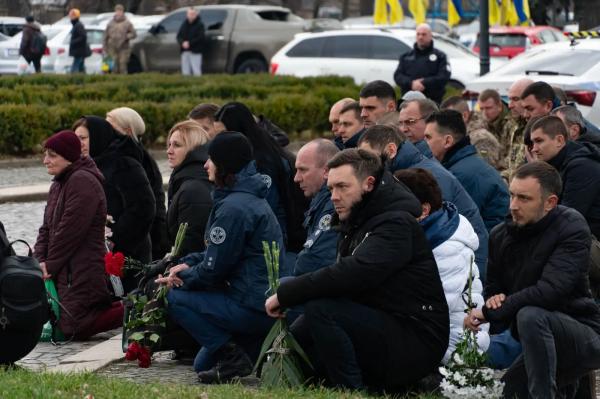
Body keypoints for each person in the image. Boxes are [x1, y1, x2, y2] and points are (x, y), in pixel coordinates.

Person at [265, 149, 449, 393]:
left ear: (369, 184)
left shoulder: (396, 223)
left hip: (416, 339)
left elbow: (355, 273)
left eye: (342, 187)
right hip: (386, 325)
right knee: (306, 327)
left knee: (321, 309)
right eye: (330, 188)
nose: (334, 197)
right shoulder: (361, 219)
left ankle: (350, 391)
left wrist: (287, 294)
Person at [157, 131, 288, 383]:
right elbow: (218, 254)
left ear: (225, 166)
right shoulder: (242, 199)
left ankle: (235, 357)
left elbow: (213, 270)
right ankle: (245, 351)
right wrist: (189, 262)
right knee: (201, 364)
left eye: (211, 160)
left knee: (175, 297)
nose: (206, 165)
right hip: (257, 299)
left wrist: (180, 276)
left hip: (251, 305)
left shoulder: (234, 208)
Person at [467, 161, 600, 399]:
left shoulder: (571, 227)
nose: (514, 206)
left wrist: (489, 312)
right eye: (512, 196)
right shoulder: (499, 235)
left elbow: (550, 291)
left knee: (531, 314)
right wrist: (494, 300)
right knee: (506, 392)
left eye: (524, 199)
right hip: (533, 340)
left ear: (550, 203)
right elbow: (494, 288)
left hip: (582, 334)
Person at [357, 125, 489, 277]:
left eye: (369, 158)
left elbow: (430, 234)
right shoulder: (405, 174)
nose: (365, 167)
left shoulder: (425, 178)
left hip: (458, 270)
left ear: (391, 150)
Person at [34, 131, 123, 339]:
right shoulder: (59, 182)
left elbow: (70, 232)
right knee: (64, 324)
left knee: (74, 327)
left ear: (68, 156)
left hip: (82, 270)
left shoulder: (82, 181)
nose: (45, 160)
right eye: (46, 154)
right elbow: (46, 228)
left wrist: (50, 265)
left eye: (52, 155)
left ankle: (132, 309)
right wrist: (39, 261)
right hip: (67, 270)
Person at [394, 168, 489, 364]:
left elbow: (432, 306)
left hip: (452, 347)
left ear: (423, 210)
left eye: (397, 202)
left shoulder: (447, 247)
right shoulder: (423, 235)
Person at [214, 102, 309, 253]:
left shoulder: (263, 161)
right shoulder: (252, 152)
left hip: (273, 242)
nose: (219, 139)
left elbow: (263, 209)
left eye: (224, 132)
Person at [74, 116, 156, 291]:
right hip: (100, 252)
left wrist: (116, 240)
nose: (79, 143)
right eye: (76, 139)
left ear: (97, 137)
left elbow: (144, 207)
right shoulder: (85, 166)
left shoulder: (123, 163)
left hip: (128, 252)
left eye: (83, 138)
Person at [425, 110, 509, 233]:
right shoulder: (462, 166)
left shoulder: (462, 175)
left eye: (428, 137)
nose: (424, 143)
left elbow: (455, 225)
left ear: (447, 141)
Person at [106, 107, 169, 260]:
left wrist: (115, 238)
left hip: (140, 243)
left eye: (110, 127)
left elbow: (147, 206)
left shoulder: (137, 161)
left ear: (127, 131)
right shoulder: (125, 157)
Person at [529, 115, 600, 238]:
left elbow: (568, 218)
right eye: (533, 142)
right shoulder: (557, 163)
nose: (534, 149)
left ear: (559, 141)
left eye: (539, 141)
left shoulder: (582, 166)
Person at [166, 120, 213, 257]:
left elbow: (192, 246)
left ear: (193, 149)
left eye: (177, 145)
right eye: (169, 144)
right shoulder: (187, 179)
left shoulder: (193, 189)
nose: (169, 151)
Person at [293, 139, 339, 276]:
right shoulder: (320, 200)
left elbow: (317, 258)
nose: (296, 178)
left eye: (303, 170)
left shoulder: (333, 203)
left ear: (326, 171)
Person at [394, 23, 450, 104]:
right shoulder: (406, 56)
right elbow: (398, 76)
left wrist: (424, 82)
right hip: (409, 102)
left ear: (430, 36)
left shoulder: (440, 56)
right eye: (418, 34)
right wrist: (411, 83)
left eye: (424, 34)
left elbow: (444, 76)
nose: (420, 37)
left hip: (432, 102)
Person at [440, 96, 502, 170]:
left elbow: (484, 171)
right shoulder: (458, 136)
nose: (444, 124)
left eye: (449, 118)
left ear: (465, 116)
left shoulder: (482, 139)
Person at [103, 4, 136, 74]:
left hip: (123, 48)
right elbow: (105, 36)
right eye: (117, 11)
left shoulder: (127, 23)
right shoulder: (110, 23)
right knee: (112, 67)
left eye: (120, 11)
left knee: (122, 66)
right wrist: (104, 47)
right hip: (112, 48)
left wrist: (127, 36)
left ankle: (123, 82)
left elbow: (134, 34)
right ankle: (113, 81)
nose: (118, 13)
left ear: (122, 12)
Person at [177, 7, 205, 76]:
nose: (191, 15)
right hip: (184, 50)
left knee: (196, 71)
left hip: (195, 51)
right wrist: (182, 43)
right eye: (190, 14)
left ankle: (198, 85)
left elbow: (200, 37)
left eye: (193, 14)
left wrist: (189, 43)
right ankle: (186, 85)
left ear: (196, 15)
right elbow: (179, 36)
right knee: (185, 72)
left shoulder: (200, 25)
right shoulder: (184, 24)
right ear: (187, 14)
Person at [68, 8, 88, 73]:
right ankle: (82, 81)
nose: (70, 17)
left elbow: (83, 37)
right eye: (70, 15)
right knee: (80, 68)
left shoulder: (78, 25)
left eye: (72, 15)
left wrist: (73, 42)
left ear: (76, 16)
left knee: (74, 69)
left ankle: (75, 81)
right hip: (78, 51)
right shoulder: (76, 25)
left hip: (79, 51)